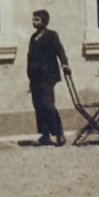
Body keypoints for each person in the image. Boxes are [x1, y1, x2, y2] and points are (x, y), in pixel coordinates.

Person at [26, 9, 70, 146]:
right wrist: (30, 77)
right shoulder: (33, 37)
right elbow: (30, 58)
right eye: (33, 19)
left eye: (36, 19)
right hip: (35, 77)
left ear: (44, 21)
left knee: (47, 104)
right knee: (38, 105)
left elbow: (60, 51)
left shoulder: (51, 35)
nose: (33, 22)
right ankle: (45, 134)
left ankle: (59, 133)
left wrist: (65, 64)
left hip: (47, 76)